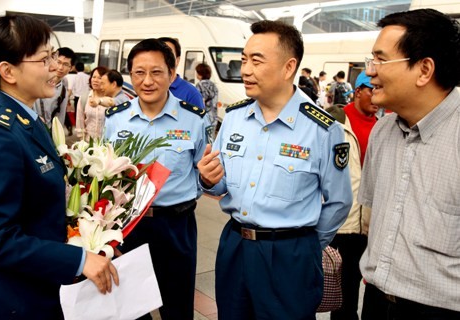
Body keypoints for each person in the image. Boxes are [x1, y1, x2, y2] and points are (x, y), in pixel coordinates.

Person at [0, 15, 119, 319]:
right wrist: (77, 259)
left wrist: (94, 240)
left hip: (36, 287)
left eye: (55, 58)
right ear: (7, 71)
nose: (55, 68)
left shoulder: (27, 119)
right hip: (12, 299)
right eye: (45, 59)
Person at [197, 20, 352, 319]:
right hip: (235, 245)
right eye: (243, 60)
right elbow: (220, 183)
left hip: (290, 256)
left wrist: (303, 244)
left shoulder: (321, 129)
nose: (245, 69)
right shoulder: (234, 118)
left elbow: (339, 201)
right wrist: (208, 179)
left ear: (288, 67)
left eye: (256, 60)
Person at [358, 9, 460, 320]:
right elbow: (373, 218)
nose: (370, 72)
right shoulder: (382, 130)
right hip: (376, 302)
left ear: (424, 69)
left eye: (380, 60)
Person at [104, 38, 210, 320]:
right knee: (129, 308)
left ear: (172, 75)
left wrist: (210, 182)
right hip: (128, 227)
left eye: (156, 72)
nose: (147, 81)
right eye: (139, 72)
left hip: (175, 225)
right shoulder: (115, 119)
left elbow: (207, 176)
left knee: (176, 306)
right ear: (130, 75)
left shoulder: (195, 121)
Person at [326, 71, 378, 320]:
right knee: (342, 298)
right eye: (371, 90)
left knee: (362, 290)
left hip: (368, 227)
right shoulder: (335, 121)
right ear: (358, 91)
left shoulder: (384, 126)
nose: (376, 96)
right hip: (342, 225)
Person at [34, 47, 76, 130]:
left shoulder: (63, 92)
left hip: (46, 132)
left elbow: (59, 119)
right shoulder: (36, 79)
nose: (60, 67)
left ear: (71, 68)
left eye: (65, 64)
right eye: (58, 62)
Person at [158, 37, 205, 109]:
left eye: (168, 55)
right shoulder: (145, 89)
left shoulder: (191, 94)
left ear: (177, 60)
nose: (163, 59)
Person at [75, 66, 108, 141]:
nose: (95, 80)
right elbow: (80, 122)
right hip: (88, 143)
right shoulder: (84, 98)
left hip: (106, 144)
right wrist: (82, 142)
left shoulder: (111, 100)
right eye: (94, 77)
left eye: (99, 78)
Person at [195, 63, 218, 136]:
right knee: (211, 139)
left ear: (200, 74)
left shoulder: (199, 85)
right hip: (213, 117)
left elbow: (201, 102)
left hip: (203, 117)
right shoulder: (214, 85)